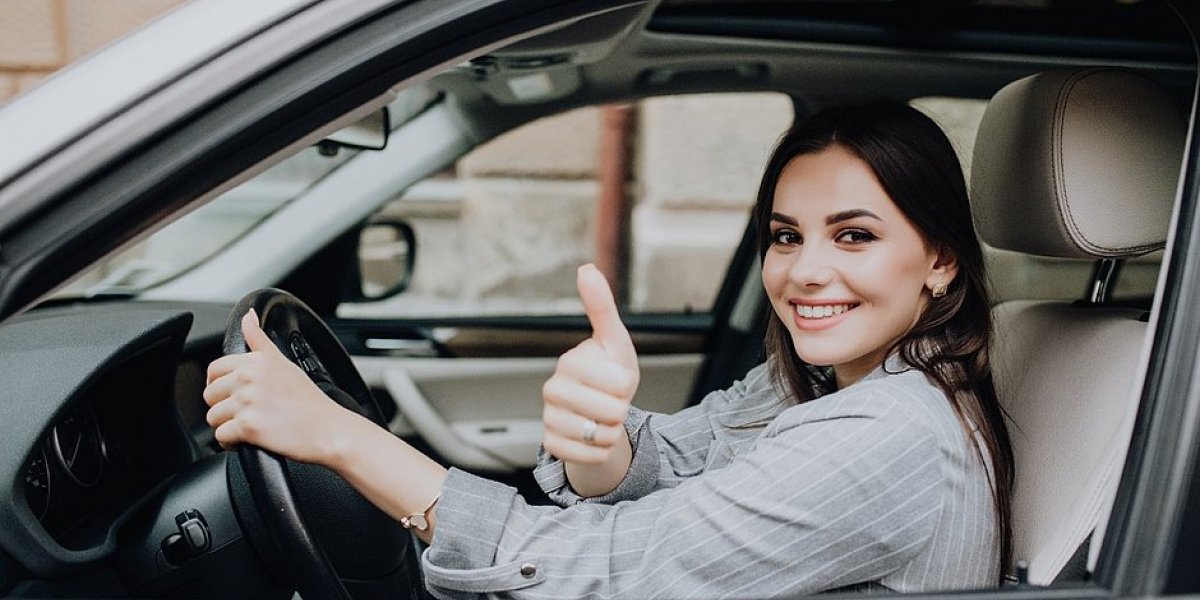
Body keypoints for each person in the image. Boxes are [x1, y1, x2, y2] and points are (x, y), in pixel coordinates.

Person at [204, 101, 1014, 599]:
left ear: (940, 259)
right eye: (785, 236)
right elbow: (676, 455)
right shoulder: (821, 379)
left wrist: (342, 439)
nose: (806, 271)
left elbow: (610, 576)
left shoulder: (888, 434)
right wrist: (605, 448)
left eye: (854, 236)